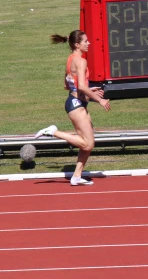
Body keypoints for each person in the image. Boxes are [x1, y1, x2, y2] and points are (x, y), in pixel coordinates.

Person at [35, 30, 111, 186]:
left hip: (75, 102)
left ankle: (77, 176)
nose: (89, 44)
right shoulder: (81, 61)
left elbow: (67, 85)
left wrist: (91, 91)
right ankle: (53, 131)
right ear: (77, 44)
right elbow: (82, 86)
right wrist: (100, 100)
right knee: (88, 143)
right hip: (77, 105)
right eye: (86, 41)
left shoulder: (70, 59)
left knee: (88, 142)